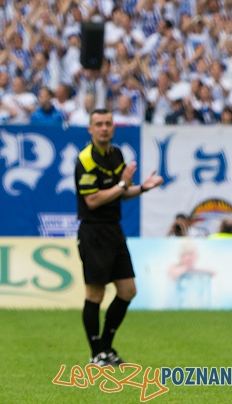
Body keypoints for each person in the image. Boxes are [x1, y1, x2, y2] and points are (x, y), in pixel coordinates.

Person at [74, 109, 164, 367]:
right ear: (90, 130)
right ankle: (95, 353)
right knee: (95, 294)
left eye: (108, 123)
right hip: (94, 231)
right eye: (99, 124)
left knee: (128, 290)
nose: (104, 128)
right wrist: (123, 186)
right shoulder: (86, 160)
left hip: (114, 229)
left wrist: (142, 188)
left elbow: (119, 193)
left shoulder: (117, 155)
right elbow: (92, 200)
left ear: (114, 128)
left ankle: (107, 348)